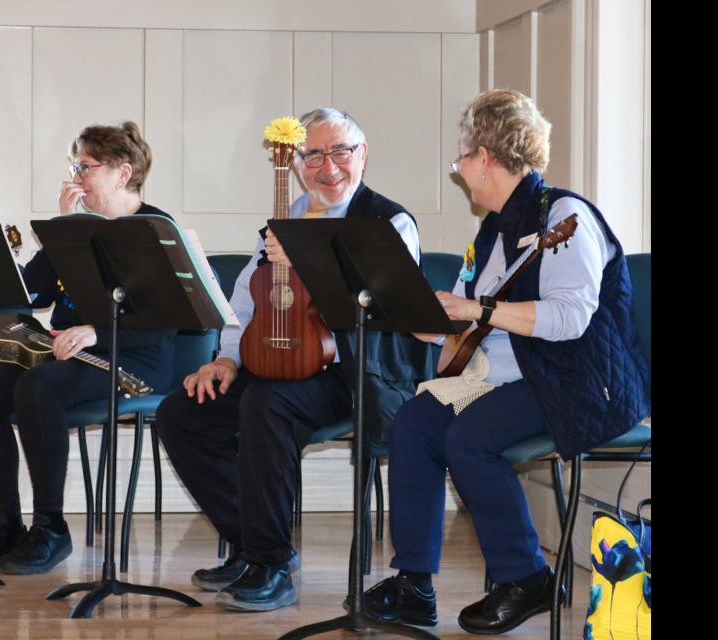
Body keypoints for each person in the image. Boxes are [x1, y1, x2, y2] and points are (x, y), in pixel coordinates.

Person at [362, 90, 651, 634]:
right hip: (513, 376)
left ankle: (528, 577)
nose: (459, 168)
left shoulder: (565, 216)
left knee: (468, 437)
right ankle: (414, 584)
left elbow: (569, 320)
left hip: (580, 380)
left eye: (461, 158)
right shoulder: (494, 228)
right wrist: (431, 320)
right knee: (415, 422)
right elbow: (474, 316)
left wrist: (478, 308)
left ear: (486, 158)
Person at [155, 108, 431, 612]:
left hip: (351, 371)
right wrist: (227, 360)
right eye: (314, 154)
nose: (329, 166)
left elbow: (384, 307)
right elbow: (245, 301)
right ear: (298, 161)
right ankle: (250, 545)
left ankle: (272, 565)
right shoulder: (286, 220)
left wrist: (312, 262)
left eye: (341, 151)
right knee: (181, 413)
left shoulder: (389, 222)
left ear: (362, 155)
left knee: (267, 403)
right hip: (278, 361)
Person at [0, 122, 176, 575]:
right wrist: (62, 230)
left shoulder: (154, 226)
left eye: (86, 167)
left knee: (40, 388)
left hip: (134, 355)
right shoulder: (75, 227)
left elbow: (164, 320)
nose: (75, 177)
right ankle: (7, 526)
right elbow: (34, 293)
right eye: (74, 166)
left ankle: (50, 527)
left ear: (122, 172)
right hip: (69, 352)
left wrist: (98, 331)